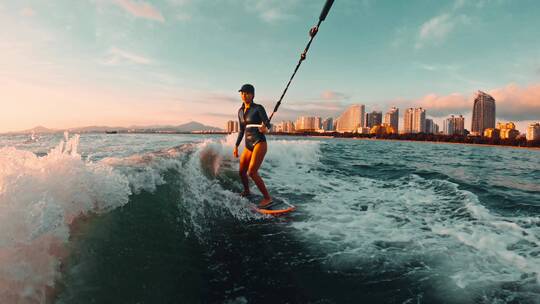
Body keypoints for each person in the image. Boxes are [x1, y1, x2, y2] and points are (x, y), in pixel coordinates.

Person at [232, 84, 273, 208]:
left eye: (247, 93)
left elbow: (268, 124)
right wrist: (236, 145)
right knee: (241, 171)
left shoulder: (258, 108)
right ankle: (247, 190)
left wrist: (265, 128)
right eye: (242, 93)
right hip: (248, 144)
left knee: (252, 172)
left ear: (252, 95)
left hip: (259, 142)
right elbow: (241, 130)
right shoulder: (240, 111)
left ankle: (267, 198)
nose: (244, 95)